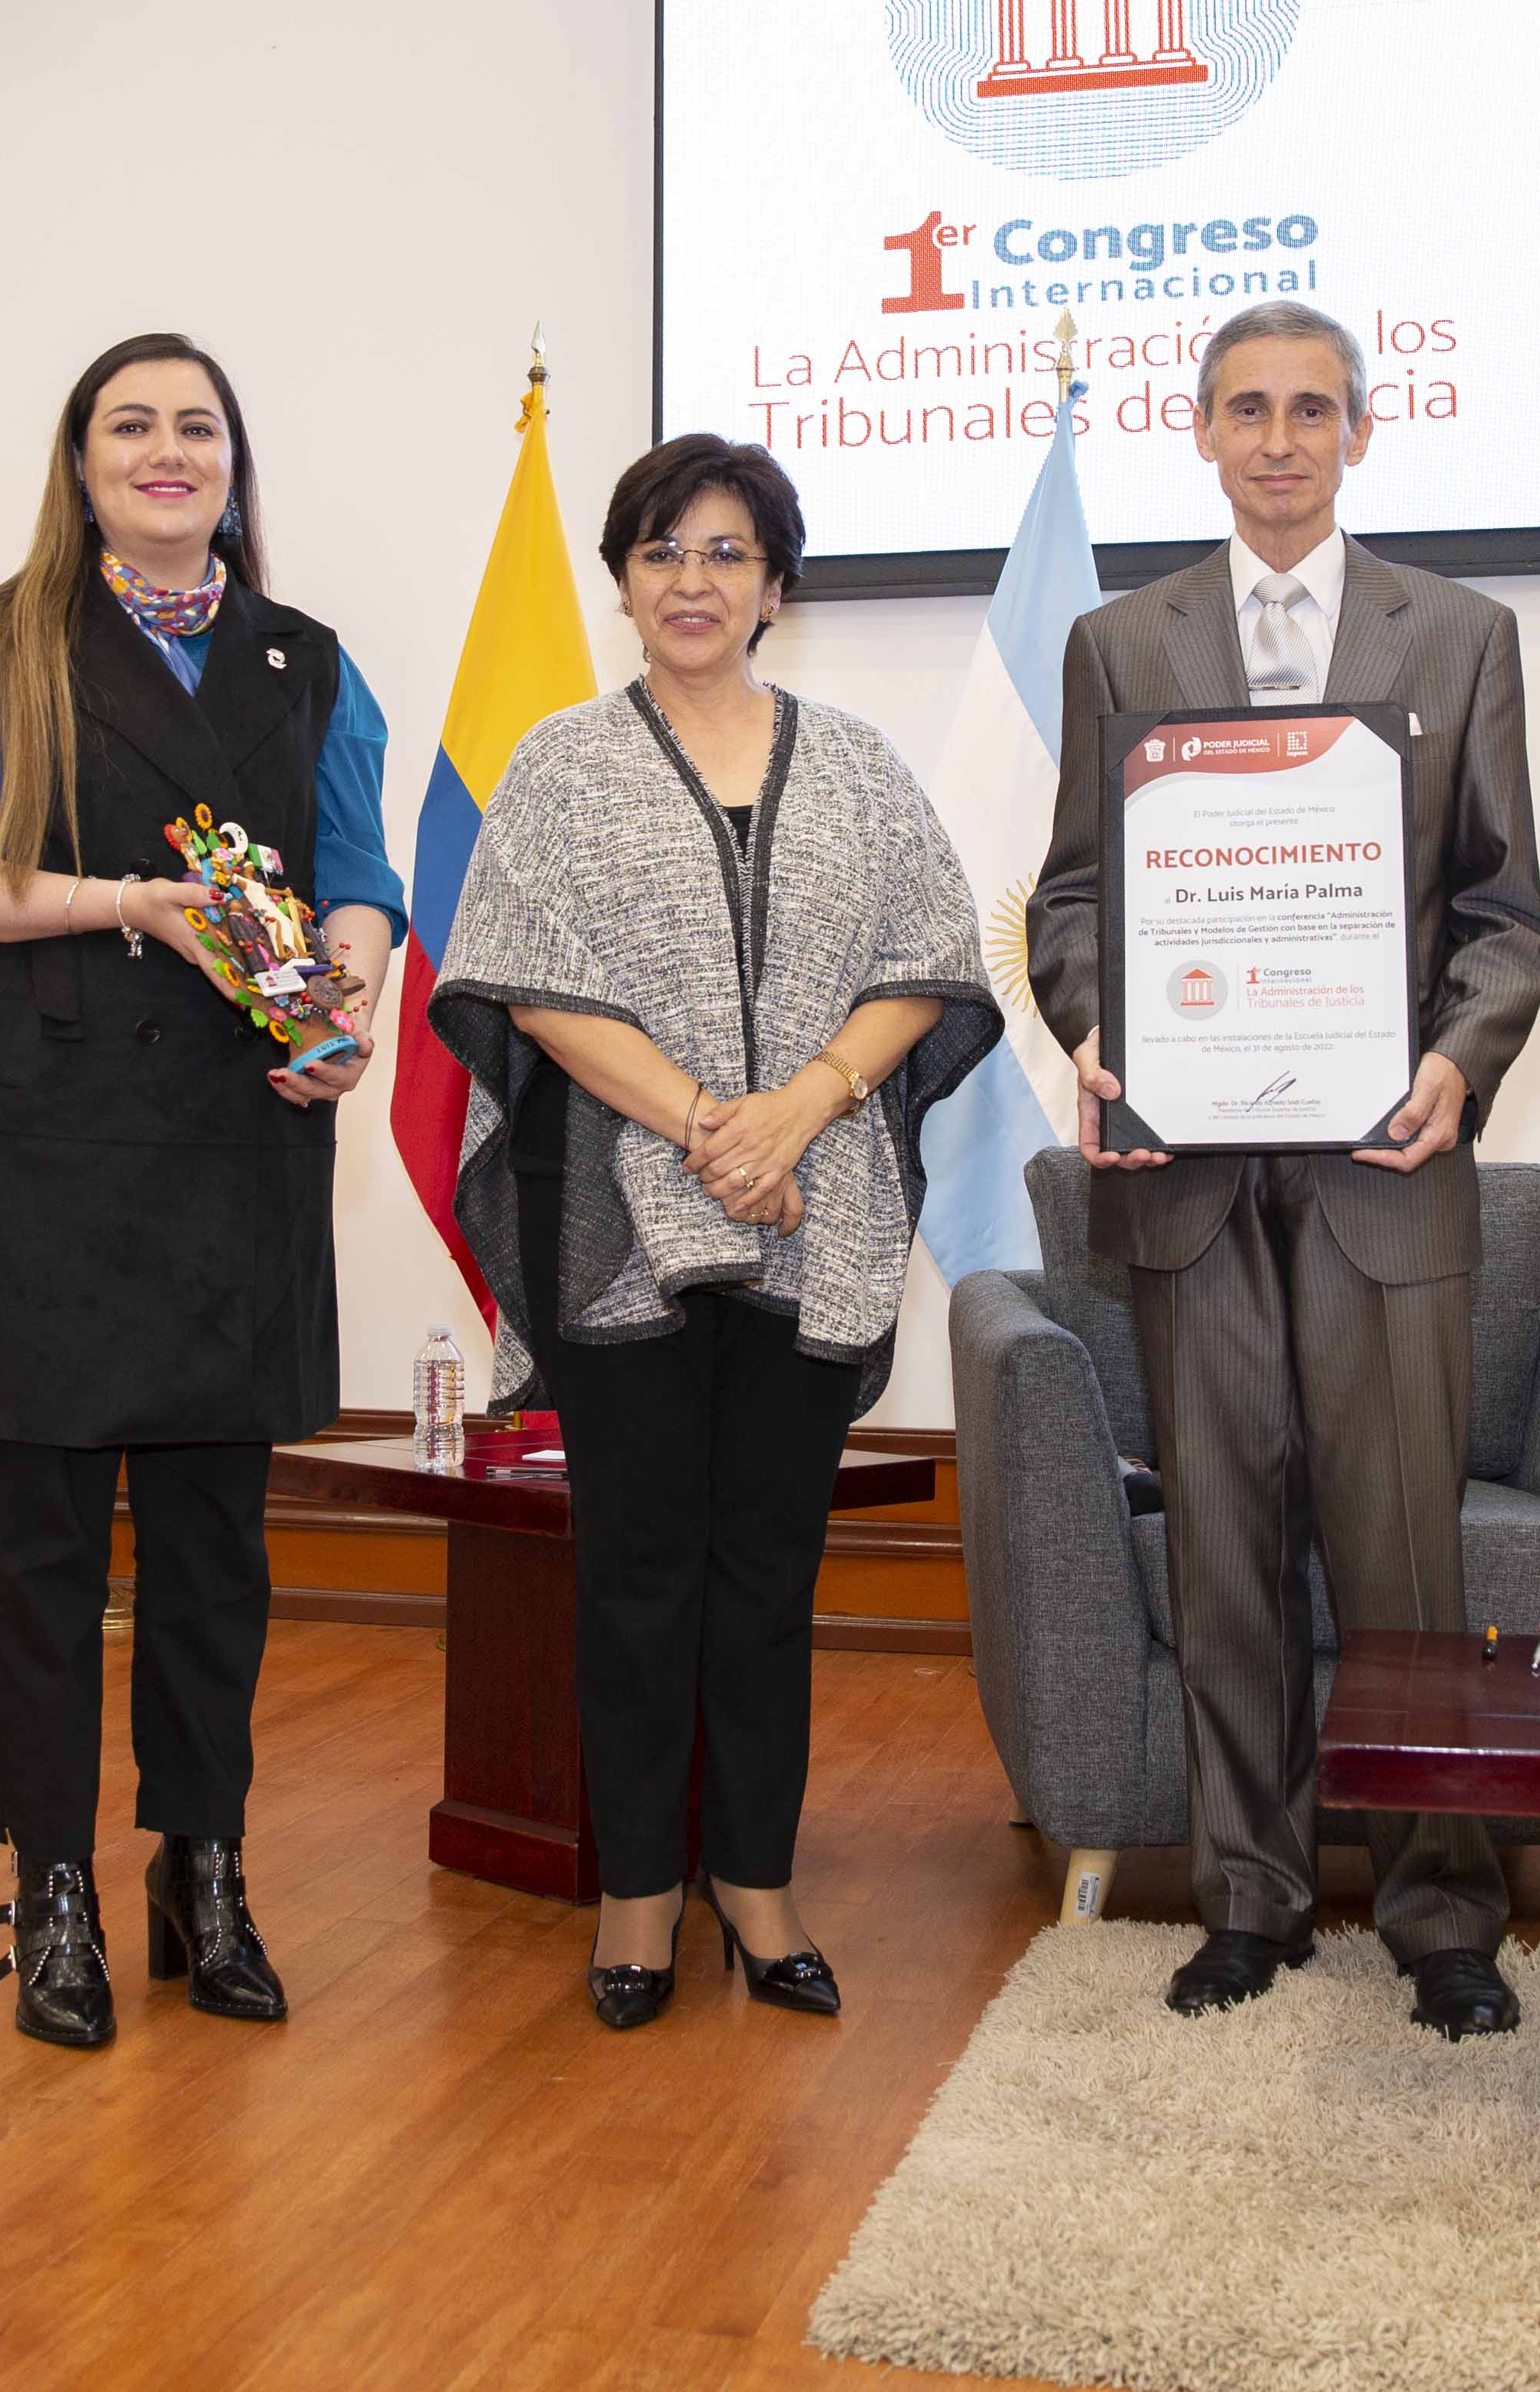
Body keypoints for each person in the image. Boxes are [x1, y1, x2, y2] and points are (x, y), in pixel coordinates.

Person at [1024, 303, 1540, 2041]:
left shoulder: (1461, 634)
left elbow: (1506, 916)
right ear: (1200, 432)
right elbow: (1078, 899)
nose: (1278, 439)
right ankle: (1247, 1901)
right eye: (1246, 410)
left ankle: (1444, 1915)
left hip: (1383, 1174)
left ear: (1359, 430)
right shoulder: (1121, 641)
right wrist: (1097, 1032)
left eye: (1310, 410)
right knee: (1228, 1556)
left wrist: (1453, 1063)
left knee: (1407, 1563)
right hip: (1187, 1176)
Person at [0, 331, 406, 2050]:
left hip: (237, 1148)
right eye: (133, 427)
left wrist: (350, 983)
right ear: (83, 463)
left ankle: (207, 1865)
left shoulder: (310, 661)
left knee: (214, 1552)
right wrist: (132, 905)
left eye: (198, 427)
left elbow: (358, 877)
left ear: (234, 466)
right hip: (34, 1150)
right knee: (37, 1552)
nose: (169, 452)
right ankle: (51, 1890)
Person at [428, 435, 996, 2029]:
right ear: (622, 578)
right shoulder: (559, 764)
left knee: (767, 1566)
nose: (693, 580)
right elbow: (524, 980)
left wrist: (798, 1106)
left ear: (777, 584)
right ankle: (635, 1894)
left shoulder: (864, 767)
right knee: (636, 1568)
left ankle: (756, 1880)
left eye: (727, 552)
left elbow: (929, 962)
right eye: (663, 550)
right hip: (619, 1217)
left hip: (819, 1207)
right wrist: (701, 1124)